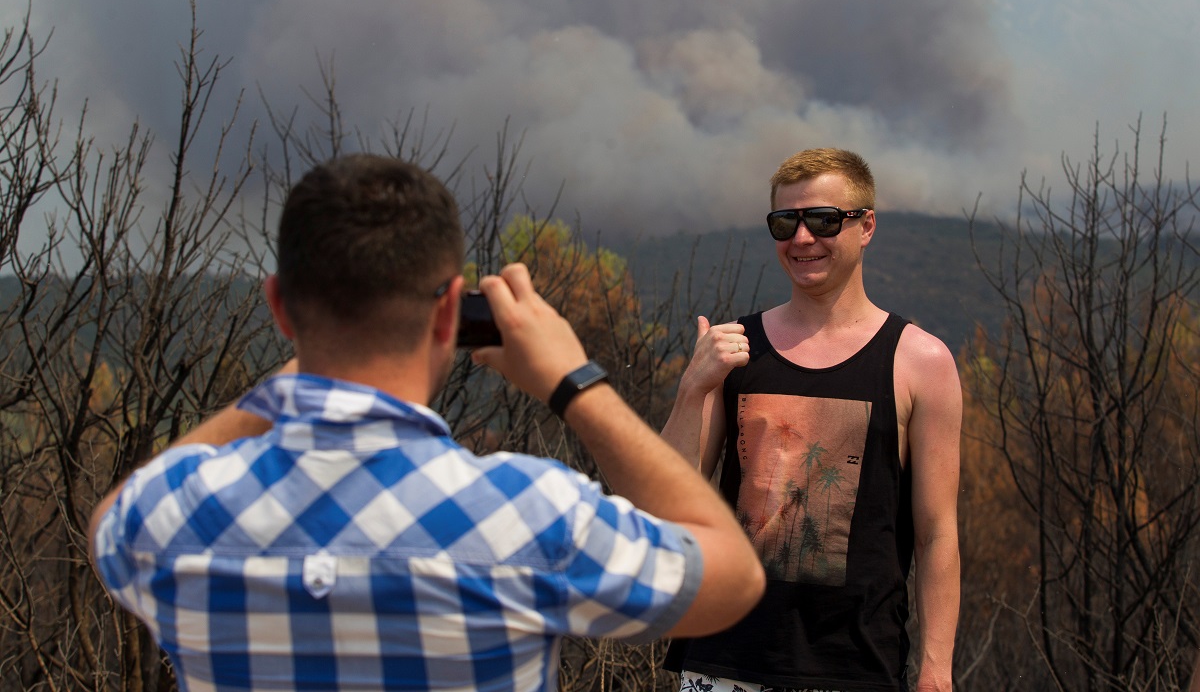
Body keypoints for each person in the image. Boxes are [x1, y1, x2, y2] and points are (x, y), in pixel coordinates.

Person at [89, 155, 765, 692]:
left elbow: (110, 518)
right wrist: (575, 384)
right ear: (449, 314)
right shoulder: (530, 514)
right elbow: (734, 577)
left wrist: (284, 383)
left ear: (279, 308)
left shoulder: (176, 516)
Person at [661, 148, 962, 692]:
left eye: (823, 220)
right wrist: (691, 389)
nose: (802, 239)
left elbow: (937, 532)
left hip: (855, 667)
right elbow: (665, 498)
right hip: (721, 660)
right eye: (785, 223)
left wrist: (936, 670)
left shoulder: (921, 363)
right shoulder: (734, 349)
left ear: (866, 225)